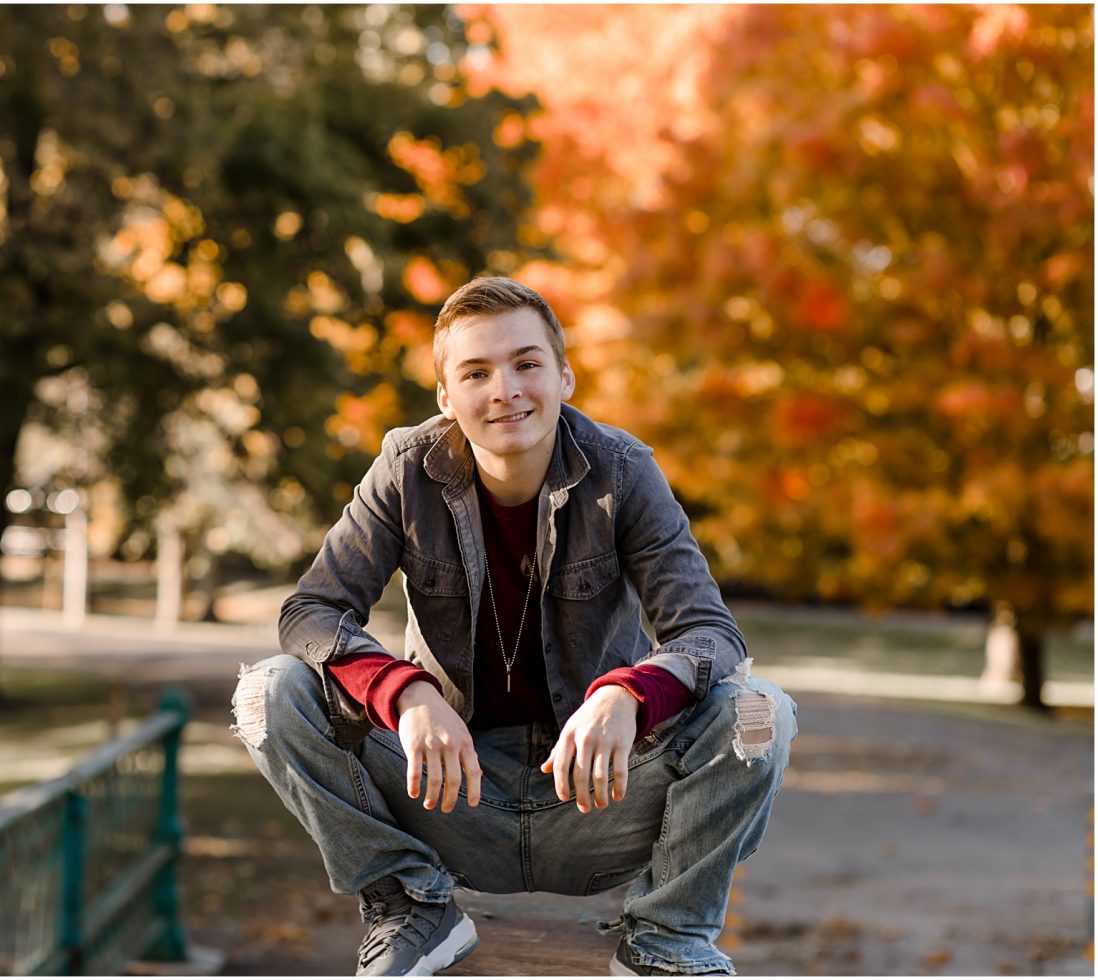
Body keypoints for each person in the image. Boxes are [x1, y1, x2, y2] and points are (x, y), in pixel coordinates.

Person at [232, 277, 797, 976]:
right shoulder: (405, 469)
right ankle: (412, 905)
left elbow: (712, 634)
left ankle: (666, 940)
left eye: (527, 363)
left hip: (597, 797)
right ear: (447, 396)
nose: (505, 390)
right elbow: (311, 612)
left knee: (758, 711)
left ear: (563, 376)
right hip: (446, 794)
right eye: (476, 372)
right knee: (268, 692)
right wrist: (405, 693)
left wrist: (629, 694)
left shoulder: (624, 470)